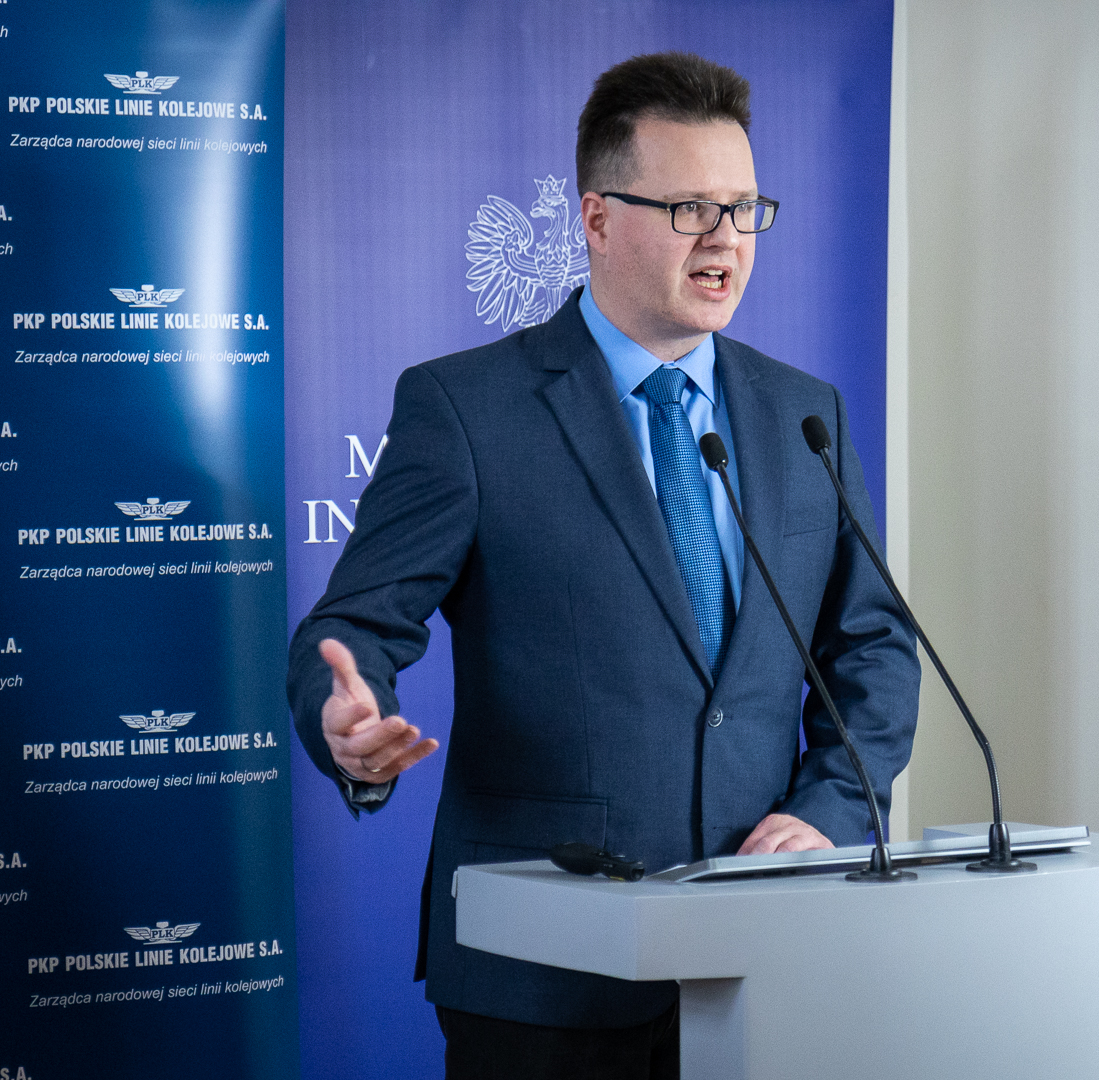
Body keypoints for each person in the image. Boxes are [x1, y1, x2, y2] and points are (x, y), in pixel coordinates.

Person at [285, 51, 920, 1079]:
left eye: (743, 209)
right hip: (548, 976)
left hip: (767, 956)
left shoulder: (805, 412)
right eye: (690, 209)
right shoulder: (467, 410)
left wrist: (829, 811)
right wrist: (345, 724)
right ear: (596, 219)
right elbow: (353, 626)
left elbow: (874, 648)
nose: (725, 239)